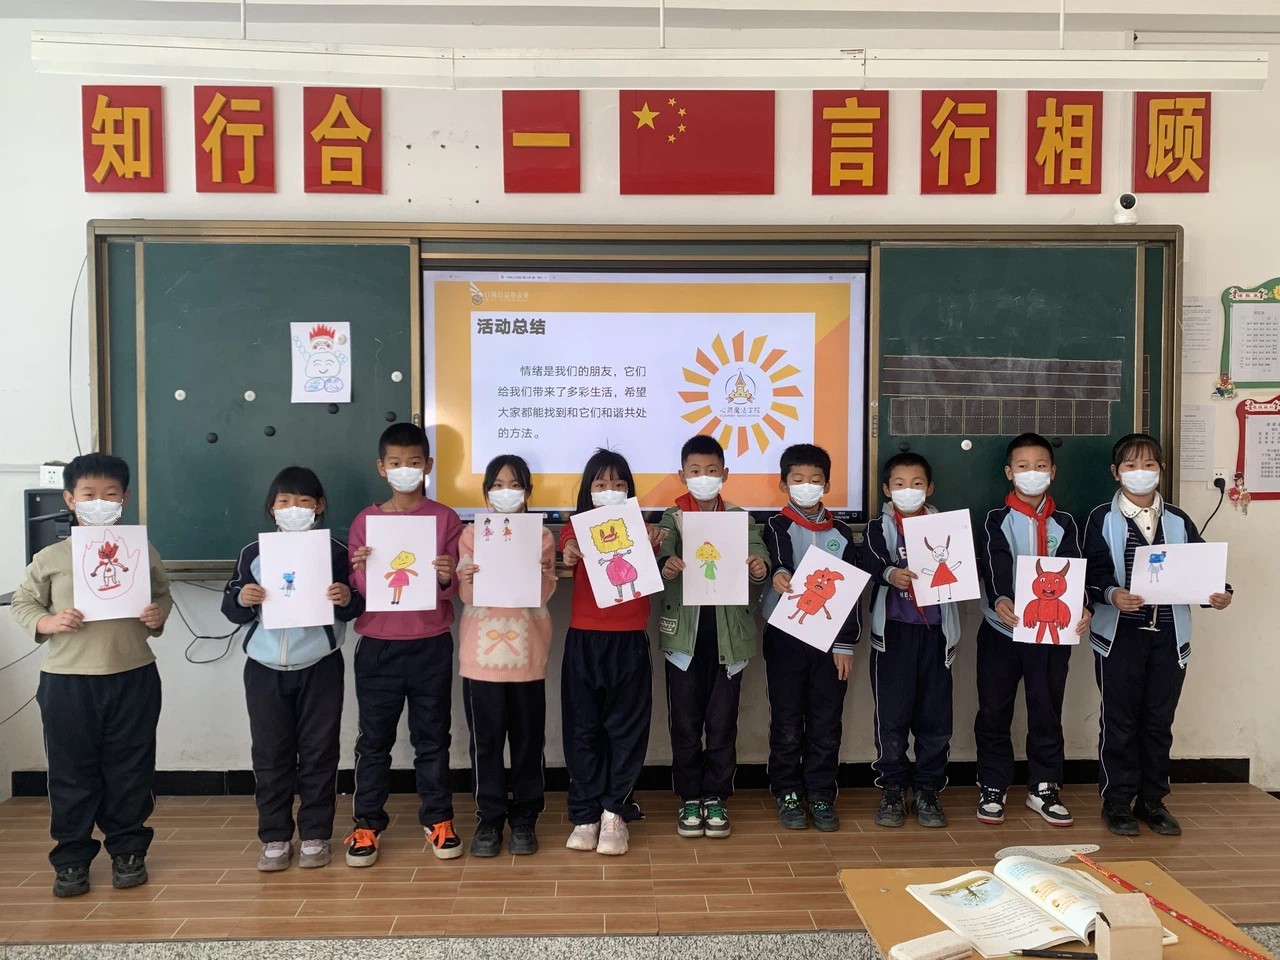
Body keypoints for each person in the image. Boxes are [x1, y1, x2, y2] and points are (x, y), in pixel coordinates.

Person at [10, 453, 171, 897]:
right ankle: (72, 858)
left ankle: (128, 850)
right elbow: (24, 603)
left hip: (132, 673)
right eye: (89, 494)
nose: (99, 502)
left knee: (130, 768)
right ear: (70, 499)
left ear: (125, 498)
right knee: (71, 771)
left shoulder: (142, 551)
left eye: (110, 494)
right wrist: (47, 622)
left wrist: (157, 615)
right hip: (68, 680)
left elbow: (162, 594)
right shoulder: (51, 557)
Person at [1084, 433, 1232, 837]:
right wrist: (1111, 594)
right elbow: (1092, 572)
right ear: (1115, 472)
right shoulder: (1100, 518)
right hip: (1120, 637)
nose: (1140, 472)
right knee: (1119, 721)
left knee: (1158, 720)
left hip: (1168, 636)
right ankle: (1117, 801)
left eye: (1149, 464)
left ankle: (1153, 801)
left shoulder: (1179, 520)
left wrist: (1219, 593)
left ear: (1161, 470)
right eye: (1131, 465)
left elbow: (1201, 569)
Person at [222, 466, 363, 871]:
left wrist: (345, 597)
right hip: (264, 667)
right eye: (284, 501)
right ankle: (275, 836)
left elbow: (356, 605)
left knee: (319, 752)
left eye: (304, 501)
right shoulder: (254, 552)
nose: (294, 508)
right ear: (272, 507)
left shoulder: (335, 552)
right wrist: (244, 598)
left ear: (319, 506)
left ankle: (316, 834)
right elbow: (231, 607)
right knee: (270, 754)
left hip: (320, 664)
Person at [345, 423, 463, 864]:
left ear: (428, 465)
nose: (405, 470)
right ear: (382, 467)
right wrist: (360, 570)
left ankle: (438, 819)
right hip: (378, 646)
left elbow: (453, 588)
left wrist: (447, 574)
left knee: (432, 739)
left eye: (414, 462)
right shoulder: (366, 521)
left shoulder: (445, 518)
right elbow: (360, 589)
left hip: (430, 642)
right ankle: (366, 824)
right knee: (374, 741)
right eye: (395, 463)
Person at [656, 435, 769, 839]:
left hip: (728, 640)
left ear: (725, 474)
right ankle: (690, 797)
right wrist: (666, 563)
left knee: (722, 725)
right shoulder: (672, 518)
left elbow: (759, 556)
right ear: (681, 475)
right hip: (683, 644)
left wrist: (759, 567)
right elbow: (661, 551)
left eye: (711, 471)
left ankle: (717, 796)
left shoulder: (740, 518)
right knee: (685, 726)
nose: (703, 477)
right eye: (695, 471)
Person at [975, 433, 1091, 827]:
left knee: (1046, 709)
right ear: (1009, 473)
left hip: (1050, 636)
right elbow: (994, 562)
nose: (1032, 473)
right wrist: (1000, 599)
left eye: (1040, 466)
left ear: (1052, 472)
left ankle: (1044, 786)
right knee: (994, 710)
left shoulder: (1066, 523)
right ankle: (993, 784)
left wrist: (1083, 606)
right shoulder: (995, 519)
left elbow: (1076, 569)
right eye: (1023, 466)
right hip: (1002, 631)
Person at [559, 448, 661, 856]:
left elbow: (657, 553)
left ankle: (614, 812)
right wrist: (570, 549)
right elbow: (568, 547)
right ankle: (584, 813)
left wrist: (654, 541)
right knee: (583, 729)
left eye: (619, 484)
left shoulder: (643, 529)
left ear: (629, 491)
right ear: (588, 490)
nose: (610, 490)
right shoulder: (575, 528)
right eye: (601, 484)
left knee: (626, 730)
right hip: (584, 640)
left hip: (629, 640)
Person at [456, 455, 558, 857]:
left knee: (528, 741)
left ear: (528, 492)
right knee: (486, 742)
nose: (506, 492)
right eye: (497, 485)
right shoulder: (471, 535)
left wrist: (542, 571)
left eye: (515, 485)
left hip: (527, 656)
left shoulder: (542, 536)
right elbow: (467, 595)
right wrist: (467, 577)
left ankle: (526, 817)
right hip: (480, 658)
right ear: (486, 493)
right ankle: (489, 817)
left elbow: (543, 594)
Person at [761, 443, 861, 832]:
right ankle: (787, 791)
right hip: (785, 637)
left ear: (827, 485)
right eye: (798, 479)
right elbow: (778, 558)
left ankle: (820, 793)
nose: (807, 486)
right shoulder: (775, 525)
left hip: (830, 644)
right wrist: (779, 574)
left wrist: (844, 644)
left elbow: (851, 591)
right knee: (786, 720)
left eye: (815, 480)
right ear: (784, 484)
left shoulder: (841, 532)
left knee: (826, 721)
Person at [861, 452, 959, 829]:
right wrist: (890, 573)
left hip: (936, 633)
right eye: (899, 485)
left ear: (929, 488)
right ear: (887, 490)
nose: (908, 491)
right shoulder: (880, 527)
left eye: (916, 484)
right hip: (894, 634)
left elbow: (964, 567)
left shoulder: (947, 528)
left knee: (936, 717)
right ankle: (892, 788)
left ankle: (928, 789)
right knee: (892, 716)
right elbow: (870, 559)